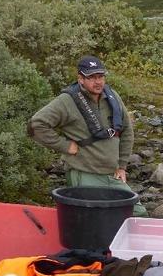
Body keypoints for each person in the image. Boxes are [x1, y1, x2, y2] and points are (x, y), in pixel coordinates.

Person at [29, 55, 148, 215]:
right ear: (80, 79)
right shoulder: (66, 101)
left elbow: (126, 131)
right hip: (84, 174)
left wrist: (122, 166)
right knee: (93, 219)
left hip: (112, 175)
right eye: (91, 77)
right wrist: (64, 146)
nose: (98, 81)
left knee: (138, 213)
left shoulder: (113, 97)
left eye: (100, 76)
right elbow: (35, 125)